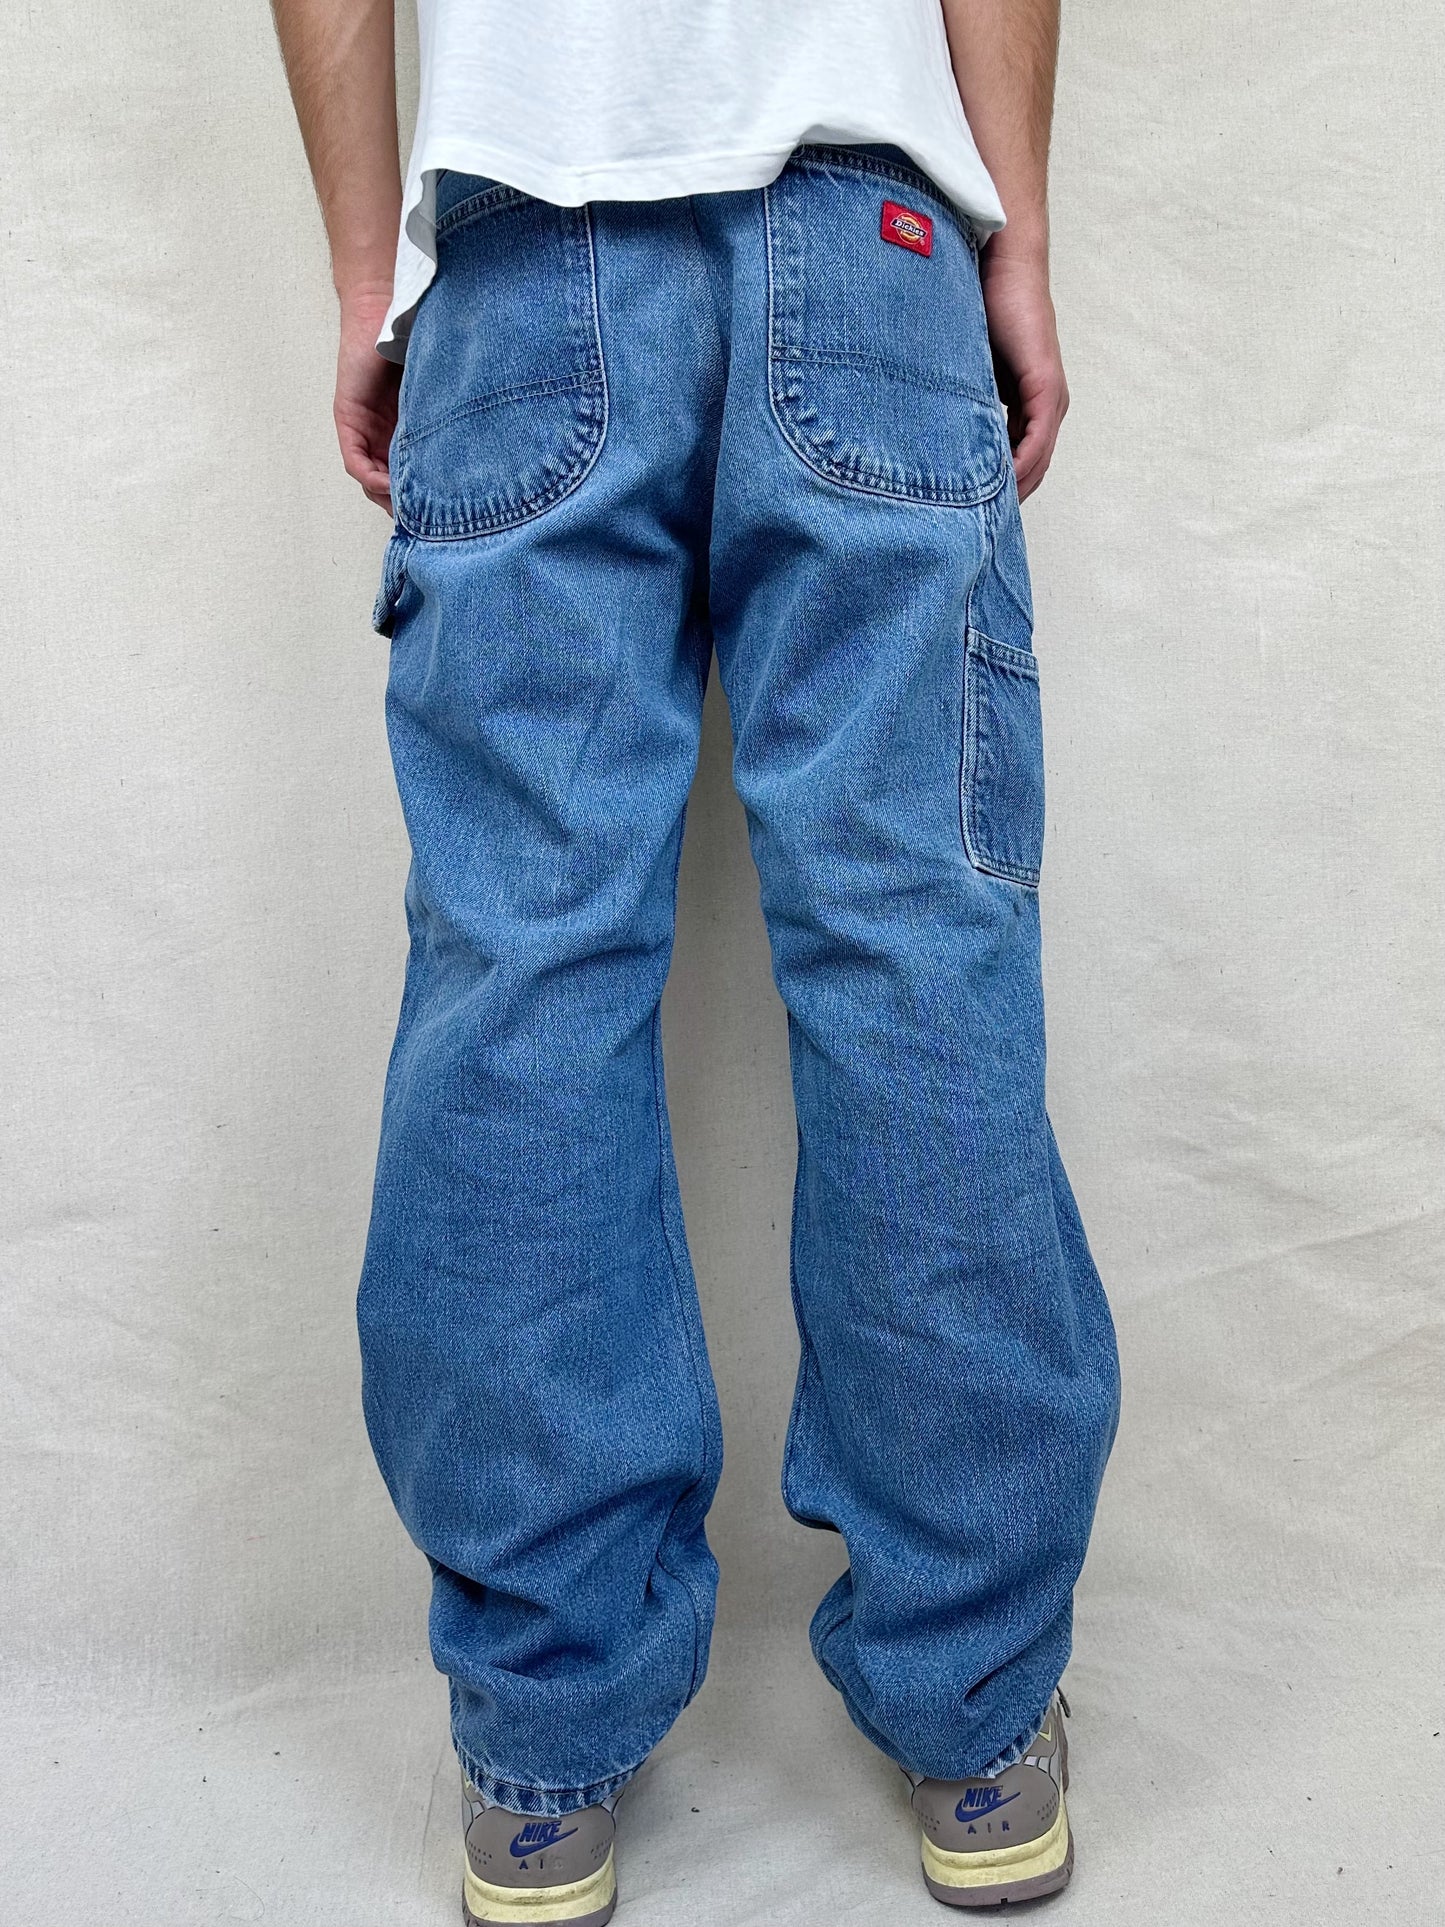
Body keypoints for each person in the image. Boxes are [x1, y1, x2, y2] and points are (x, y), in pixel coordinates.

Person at [269, 1, 1121, 1917]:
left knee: (522, 977)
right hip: (869, 234)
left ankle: (542, 1744)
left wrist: (367, 276)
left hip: (518, 246)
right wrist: (1015, 235)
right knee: (913, 956)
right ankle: (978, 1720)